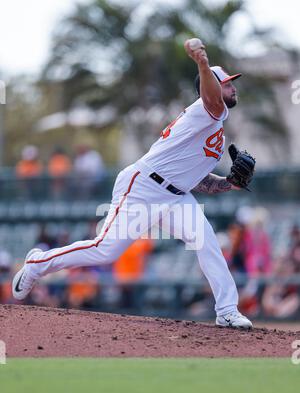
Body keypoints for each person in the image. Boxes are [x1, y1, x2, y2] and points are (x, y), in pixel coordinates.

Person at [12, 39, 254, 329]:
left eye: (231, 83)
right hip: (143, 186)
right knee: (106, 250)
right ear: (209, 88)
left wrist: (230, 183)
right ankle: (38, 263)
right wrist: (202, 62)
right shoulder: (206, 110)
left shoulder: (214, 129)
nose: (232, 87)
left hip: (176, 196)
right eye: (226, 84)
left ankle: (227, 310)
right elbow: (212, 97)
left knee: (206, 241)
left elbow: (197, 180)